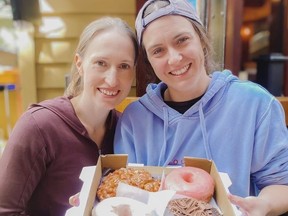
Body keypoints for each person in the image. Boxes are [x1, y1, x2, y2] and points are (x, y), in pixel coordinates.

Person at [114, 0, 288, 215]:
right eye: (158, 51)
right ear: (148, 61)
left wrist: (265, 204)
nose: (175, 58)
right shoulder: (135, 119)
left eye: (182, 40)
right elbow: (126, 190)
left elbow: (282, 183)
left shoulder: (255, 104)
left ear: (202, 40)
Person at [0, 16, 138, 216]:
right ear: (79, 64)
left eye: (124, 66)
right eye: (101, 63)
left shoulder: (125, 129)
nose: (112, 79)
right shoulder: (39, 127)